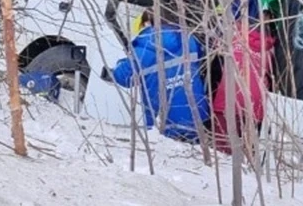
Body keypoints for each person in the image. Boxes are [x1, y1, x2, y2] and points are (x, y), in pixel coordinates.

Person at [111, 9, 211, 143]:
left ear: (147, 23)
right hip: (198, 118)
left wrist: (120, 64)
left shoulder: (146, 44)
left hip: (164, 123)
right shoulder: (190, 39)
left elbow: (123, 77)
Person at [212, 11, 277, 155]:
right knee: (247, 153)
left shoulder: (231, 33)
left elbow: (215, 64)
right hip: (256, 106)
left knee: (222, 154)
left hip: (227, 99)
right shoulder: (272, 46)